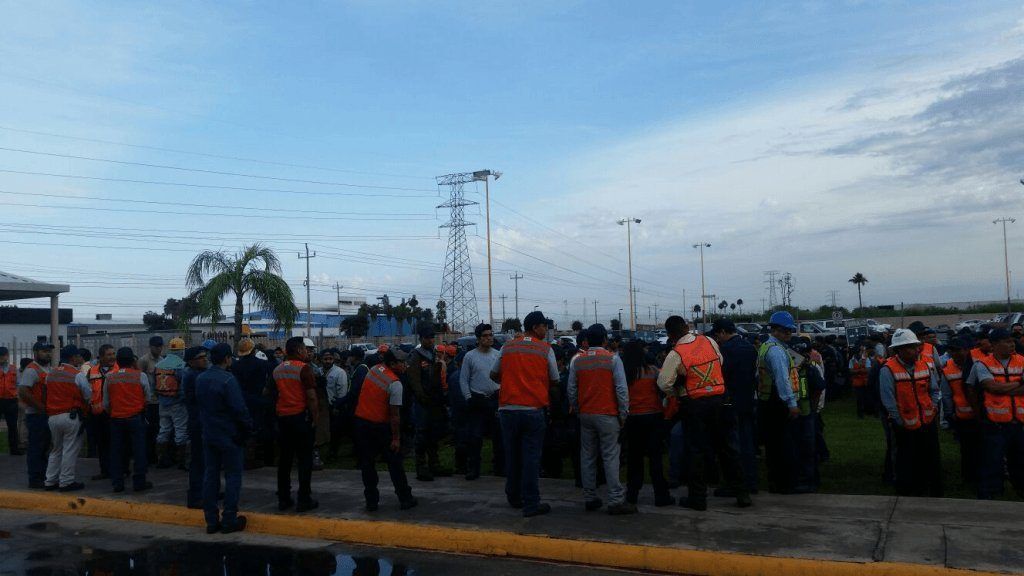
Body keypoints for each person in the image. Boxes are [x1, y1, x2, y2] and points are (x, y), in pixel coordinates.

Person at [659, 316, 750, 510]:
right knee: (728, 449)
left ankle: (698, 499)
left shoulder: (676, 353)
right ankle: (742, 493)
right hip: (720, 400)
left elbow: (663, 382)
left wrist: (676, 392)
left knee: (696, 451)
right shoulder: (708, 341)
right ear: (687, 327)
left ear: (670, 335)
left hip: (695, 405)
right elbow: (720, 360)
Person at [491, 310, 560, 517]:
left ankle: (513, 496)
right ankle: (531, 503)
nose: (546, 330)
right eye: (544, 326)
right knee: (531, 458)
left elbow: (493, 374)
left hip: (507, 410)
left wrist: (511, 382)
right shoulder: (545, 349)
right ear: (536, 327)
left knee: (512, 455)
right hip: (532, 410)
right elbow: (555, 379)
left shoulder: (507, 346)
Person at [567, 324, 634, 514]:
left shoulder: (577, 360)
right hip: (608, 415)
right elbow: (621, 389)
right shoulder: (613, 359)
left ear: (587, 340)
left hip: (586, 415)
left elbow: (571, 389)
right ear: (605, 339)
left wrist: (578, 410)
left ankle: (590, 497)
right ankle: (615, 500)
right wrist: (623, 414)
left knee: (587, 456)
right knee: (610, 456)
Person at [196, 342, 252, 534]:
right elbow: (239, 409)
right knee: (233, 476)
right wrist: (247, 429)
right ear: (228, 358)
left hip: (209, 434)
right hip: (229, 435)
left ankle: (211, 521)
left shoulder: (200, 379)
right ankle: (229, 519)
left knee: (210, 476)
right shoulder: (228, 380)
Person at [879, 329, 942, 497]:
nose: (914, 350)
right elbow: (888, 400)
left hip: (927, 422)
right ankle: (908, 492)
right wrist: (899, 421)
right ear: (898, 350)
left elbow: (935, 390)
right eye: (908, 347)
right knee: (906, 461)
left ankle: (931, 489)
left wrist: (933, 408)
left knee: (930, 459)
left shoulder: (926, 365)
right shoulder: (888, 369)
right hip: (905, 425)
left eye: (914, 346)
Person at [353, 348, 417, 511]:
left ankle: (371, 501)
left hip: (361, 423)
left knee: (367, 464)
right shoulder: (395, 383)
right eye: (402, 362)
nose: (405, 365)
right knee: (395, 464)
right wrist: (396, 439)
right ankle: (405, 498)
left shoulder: (374, 369)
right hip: (381, 427)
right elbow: (395, 415)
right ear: (392, 364)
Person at [968, 328, 1024, 499]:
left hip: (1019, 423)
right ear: (994, 345)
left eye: (1012, 341)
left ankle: (1020, 489)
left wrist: (1003, 389)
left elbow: (998, 389)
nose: (1012, 344)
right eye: (1006, 341)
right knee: (992, 462)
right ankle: (990, 495)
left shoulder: (1022, 361)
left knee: (1020, 462)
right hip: (996, 424)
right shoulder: (982, 364)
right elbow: (991, 387)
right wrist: (1019, 382)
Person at [708, 318, 759, 495]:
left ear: (722, 332)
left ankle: (736, 485)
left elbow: (721, 377)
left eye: (717, 335)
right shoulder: (750, 348)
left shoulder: (725, 351)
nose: (717, 339)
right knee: (747, 444)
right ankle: (751, 481)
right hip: (747, 401)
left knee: (732, 447)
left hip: (730, 403)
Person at [621, 339, 673, 506]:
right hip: (653, 417)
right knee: (655, 457)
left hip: (632, 418)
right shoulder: (652, 371)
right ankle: (661, 495)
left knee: (634, 458)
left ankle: (632, 494)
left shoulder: (623, 374)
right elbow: (665, 387)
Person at [272, 336, 319, 512]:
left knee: (284, 461)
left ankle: (283, 498)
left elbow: (268, 392)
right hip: (300, 419)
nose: (307, 352)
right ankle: (304, 499)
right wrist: (315, 418)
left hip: (283, 419)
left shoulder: (277, 369)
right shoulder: (304, 368)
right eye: (305, 349)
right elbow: (312, 397)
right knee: (304, 461)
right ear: (299, 351)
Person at [756, 311, 801, 494]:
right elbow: (782, 380)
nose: (789, 334)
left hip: (768, 401)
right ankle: (785, 484)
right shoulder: (776, 351)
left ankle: (776, 482)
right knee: (782, 445)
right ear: (775, 330)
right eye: (786, 330)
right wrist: (791, 404)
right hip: (778, 403)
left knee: (773, 445)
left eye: (790, 330)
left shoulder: (767, 346)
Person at [104, 347, 154, 493]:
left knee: (117, 451)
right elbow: (148, 398)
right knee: (139, 451)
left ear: (117, 361)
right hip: (135, 418)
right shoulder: (140, 376)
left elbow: (106, 404)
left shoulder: (110, 377)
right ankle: (139, 482)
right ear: (133, 360)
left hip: (116, 420)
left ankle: (117, 483)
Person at [405, 324, 450, 481]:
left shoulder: (432, 354)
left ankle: (434, 464)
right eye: (427, 338)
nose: (430, 340)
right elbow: (414, 380)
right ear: (421, 338)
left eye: (432, 337)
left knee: (433, 433)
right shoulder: (415, 355)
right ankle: (421, 467)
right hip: (422, 402)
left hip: (433, 401)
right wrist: (422, 397)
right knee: (422, 434)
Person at [43, 345, 90, 492]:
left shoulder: (51, 373)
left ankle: (50, 481)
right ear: (72, 358)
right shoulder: (77, 374)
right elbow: (88, 395)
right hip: (71, 416)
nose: (80, 358)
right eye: (77, 356)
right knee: (70, 449)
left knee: (56, 449)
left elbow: (45, 393)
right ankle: (66, 481)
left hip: (52, 417)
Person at [460, 323, 503, 480]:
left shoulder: (498, 355)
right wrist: (468, 398)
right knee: (475, 437)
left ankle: (500, 468)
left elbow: (502, 378)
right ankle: (473, 469)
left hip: (495, 399)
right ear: (478, 339)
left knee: (499, 437)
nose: (489, 338)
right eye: (485, 335)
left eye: (491, 335)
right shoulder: (470, 356)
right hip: (477, 400)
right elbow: (463, 380)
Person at [940, 336, 980, 486]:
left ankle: (980, 475)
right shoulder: (947, 369)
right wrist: (950, 415)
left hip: (980, 415)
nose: (956, 354)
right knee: (967, 449)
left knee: (982, 447)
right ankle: (969, 478)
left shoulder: (977, 365)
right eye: (952, 351)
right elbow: (946, 395)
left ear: (967, 350)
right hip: (962, 416)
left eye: (959, 350)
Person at [231, 338, 273, 469]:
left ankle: (243, 457)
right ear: (254, 350)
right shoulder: (263, 365)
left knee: (243, 428)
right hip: (259, 400)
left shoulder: (234, 366)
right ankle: (254, 458)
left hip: (241, 400)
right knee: (258, 428)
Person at [18, 341, 54, 489]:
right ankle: (35, 478)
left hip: (46, 414)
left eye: (49, 351)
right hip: (36, 415)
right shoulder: (32, 370)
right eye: (44, 351)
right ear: (36, 353)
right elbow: (23, 391)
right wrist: (40, 407)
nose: (48, 353)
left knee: (45, 447)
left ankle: (43, 475)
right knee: (36, 448)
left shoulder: (48, 369)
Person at [183, 344, 211, 508]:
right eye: (200, 357)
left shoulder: (197, 373)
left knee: (206, 460)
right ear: (192, 361)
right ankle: (196, 495)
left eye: (204, 356)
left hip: (201, 420)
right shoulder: (193, 376)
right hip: (198, 422)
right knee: (198, 460)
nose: (204, 359)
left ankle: (205, 490)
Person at [83, 344, 117, 480]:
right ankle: (105, 471)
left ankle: (119, 470)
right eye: (109, 354)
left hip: (114, 413)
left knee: (116, 444)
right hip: (97, 414)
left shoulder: (118, 370)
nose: (112, 357)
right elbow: (87, 391)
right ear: (101, 357)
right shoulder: (92, 371)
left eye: (113, 354)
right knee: (102, 445)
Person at [154, 337, 188, 469]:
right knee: (181, 431)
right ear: (182, 350)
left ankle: (161, 459)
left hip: (162, 402)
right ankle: (182, 461)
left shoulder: (159, 364)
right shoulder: (180, 365)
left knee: (163, 430)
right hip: (177, 403)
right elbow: (184, 386)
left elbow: (154, 385)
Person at [137, 335, 165, 465]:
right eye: (156, 346)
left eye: (160, 346)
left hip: (160, 400)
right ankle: (149, 457)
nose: (159, 348)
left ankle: (157, 456)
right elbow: (139, 379)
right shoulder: (144, 361)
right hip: (149, 401)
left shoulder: (162, 360)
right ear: (151, 347)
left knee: (159, 429)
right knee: (150, 430)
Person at [324, 348, 350, 459]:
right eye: (325, 359)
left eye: (330, 359)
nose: (328, 361)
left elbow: (342, 391)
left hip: (336, 406)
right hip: (325, 406)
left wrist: (337, 406)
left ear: (333, 359)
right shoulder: (320, 371)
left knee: (335, 430)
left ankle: (333, 452)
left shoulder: (339, 372)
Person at [0, 347, 22, 455]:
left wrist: (16, 395)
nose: (2, 358)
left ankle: (14, 449)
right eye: (1, 356)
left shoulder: (14, 369)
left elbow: (19, 384)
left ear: (7, 356)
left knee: (13, 426)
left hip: (11, 401)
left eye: (4, 355)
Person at [850, 345, 872, 419]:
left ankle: (866, 411)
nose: (863, 352)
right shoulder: (852, 360)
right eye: (862, 351)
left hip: (865, 382)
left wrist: (856, 371)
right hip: (857, 383)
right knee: (859, 399)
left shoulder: (866, 359)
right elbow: (850, 371)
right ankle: (860, 414)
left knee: (866, 398)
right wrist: (861, 370)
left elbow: (868, 370)